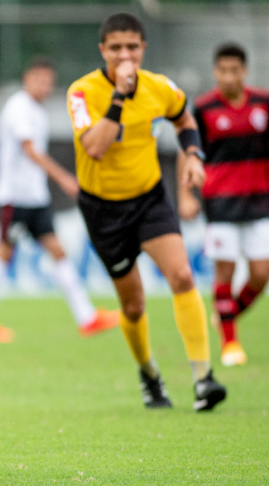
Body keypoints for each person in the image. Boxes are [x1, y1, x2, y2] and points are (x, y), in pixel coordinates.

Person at [66, 13, 227, 411]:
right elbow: (95, 147)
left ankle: (203, 379)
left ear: (143, 49)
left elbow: (184, 117)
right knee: (134, 304)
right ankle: (149, 374)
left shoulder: (160, 87)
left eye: (132, 47)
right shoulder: (82, 92)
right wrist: (120, 95)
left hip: (149, 198)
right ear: (102, 50)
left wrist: (192, 154)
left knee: (183, 274)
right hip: (103, 208)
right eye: (116, 48)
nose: (125, 55)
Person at [0, 57, 119, 343]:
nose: (45, 85)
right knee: (2, 252)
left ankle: (87, 318)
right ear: (27, 78)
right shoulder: (19, 107)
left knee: (58, 252)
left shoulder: (37, 110)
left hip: (35, 198)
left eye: (49, 81)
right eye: (40, 79)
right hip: (15, 197)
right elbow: (30, 150)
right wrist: (64, 178)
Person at [182, 43, 269, 366]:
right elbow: (187, 150)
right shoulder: (204, 108)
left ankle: (225, 315)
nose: (229, 76)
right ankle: (230, 342)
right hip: (220, 203)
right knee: (226, 271)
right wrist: (186, 194)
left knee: (261, 274)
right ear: (215, 71)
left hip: (260, 200)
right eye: (223, 70)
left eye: (235, 70)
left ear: (244, 71)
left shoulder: (263, 103)